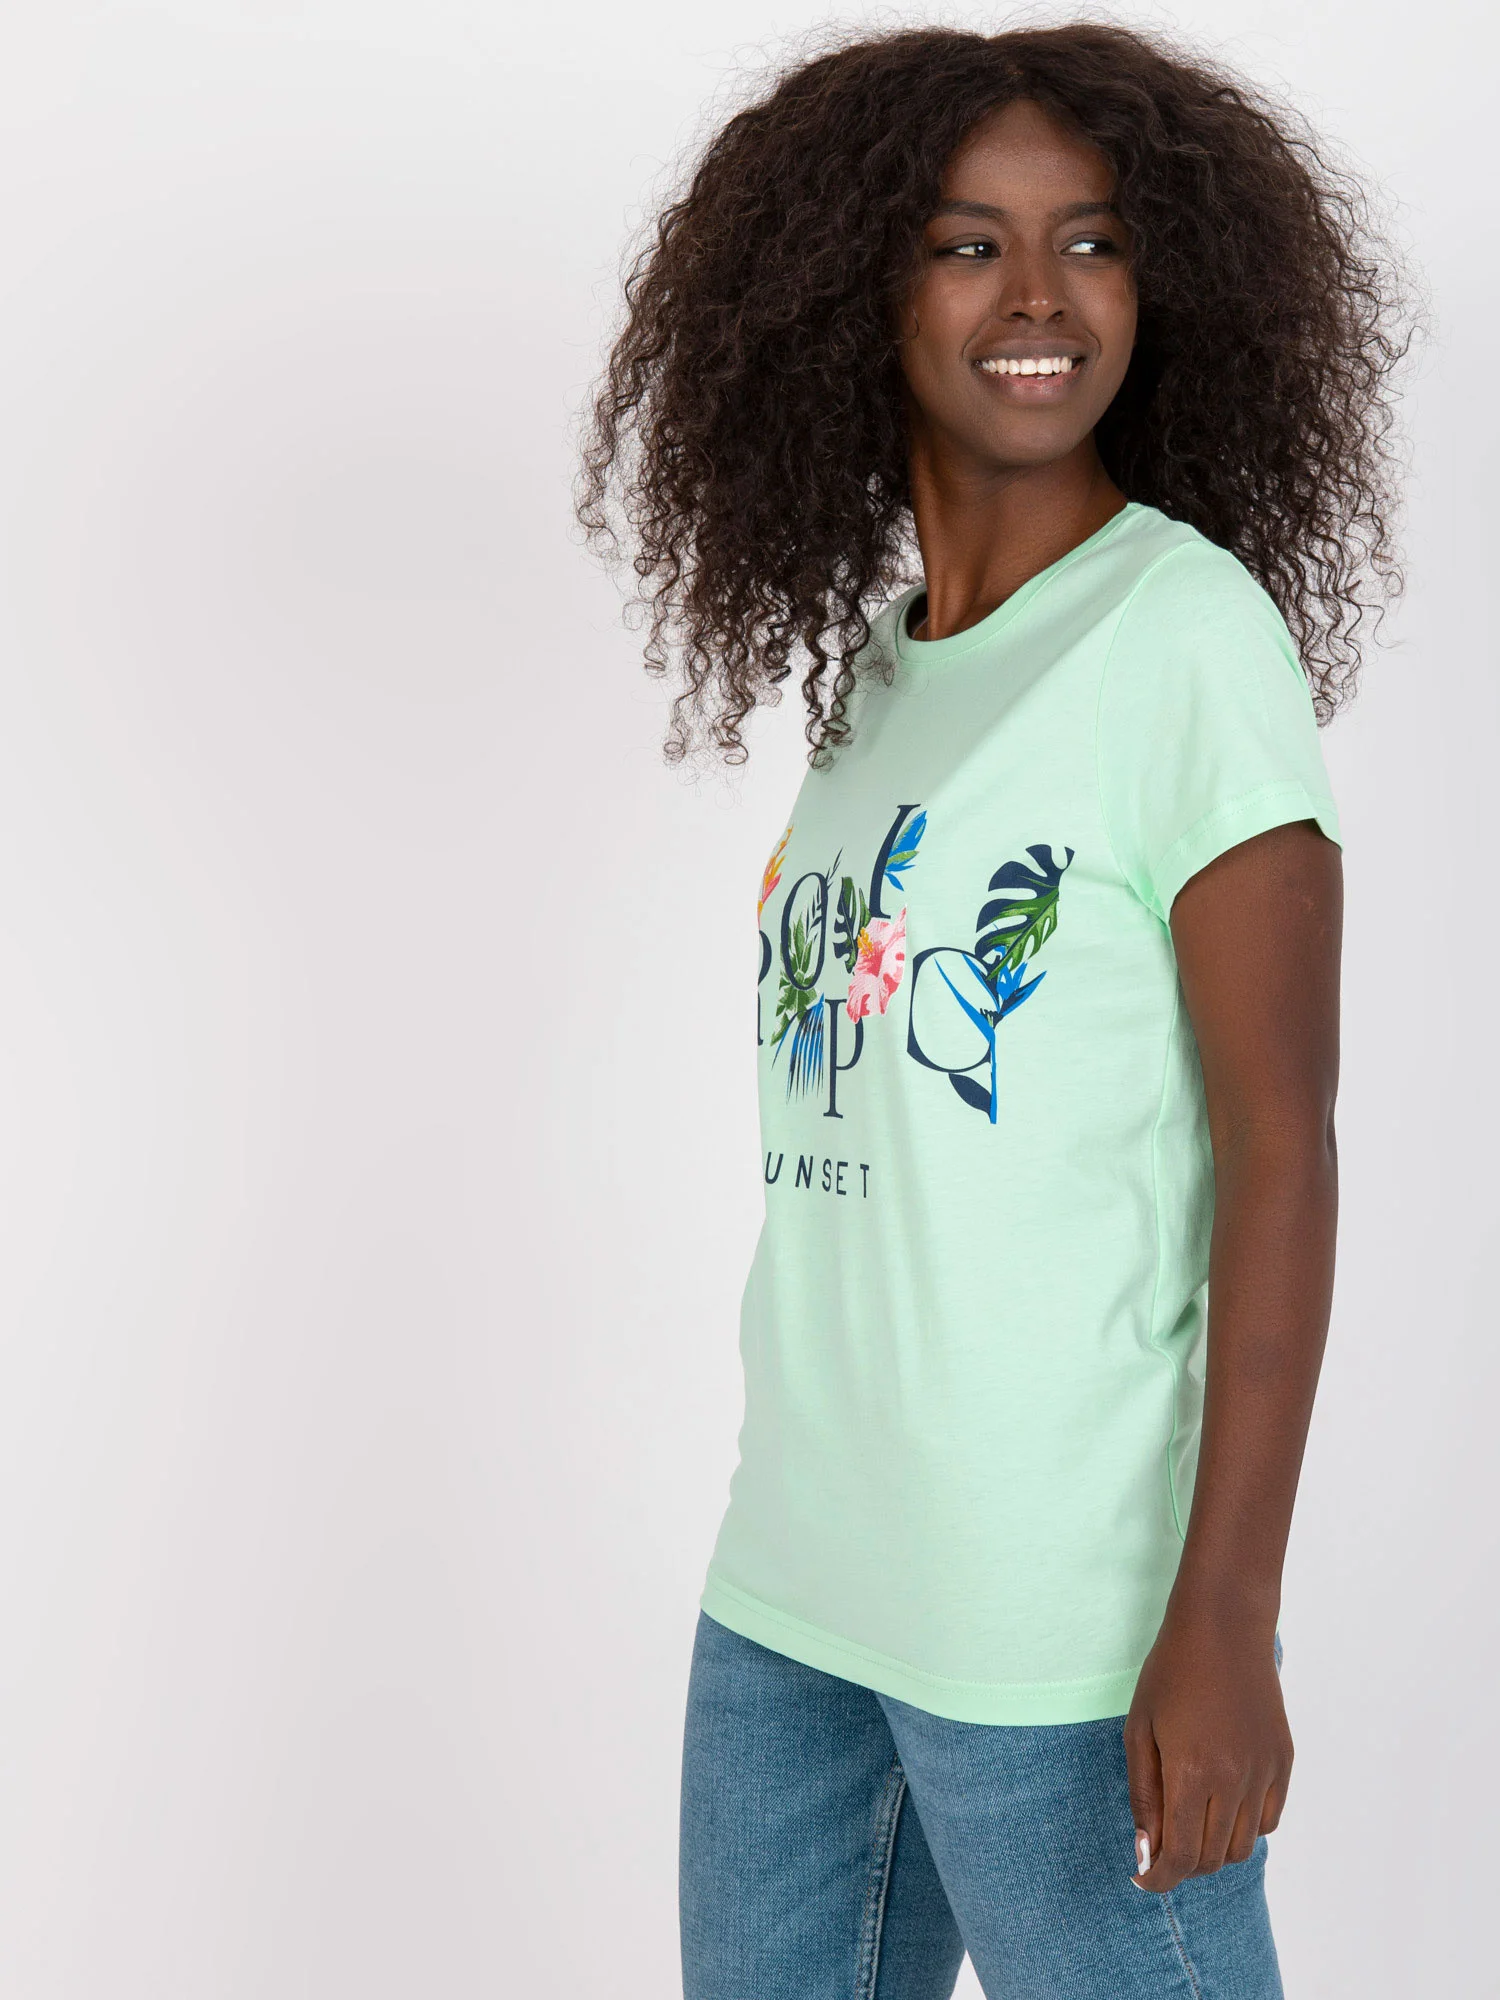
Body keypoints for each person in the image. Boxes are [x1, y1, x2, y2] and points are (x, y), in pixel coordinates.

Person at [578, 21, 1413, 1998]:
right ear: (855, 293)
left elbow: (1281, 1157)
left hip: (1060, 1630)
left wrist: (1226, 1617)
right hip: (793, 1590)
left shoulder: (1183, 635)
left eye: (1092, 242)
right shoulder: (882, 677)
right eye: (968, 246)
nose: (1039, 296)